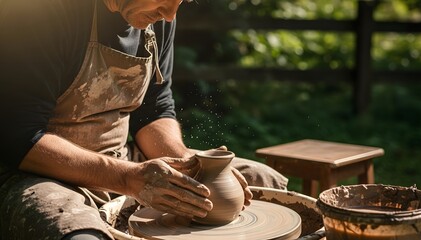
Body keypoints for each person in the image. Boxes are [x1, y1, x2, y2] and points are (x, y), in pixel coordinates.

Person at [0, 0, 288, 239]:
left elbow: (155, 111)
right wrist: (127, 178)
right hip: (37, 174)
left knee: (264, 181)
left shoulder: (157, 18)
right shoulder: (42, 12)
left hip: (123, 162)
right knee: (81, 236)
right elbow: (19, 137)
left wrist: (187, 163)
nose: (170, 14)